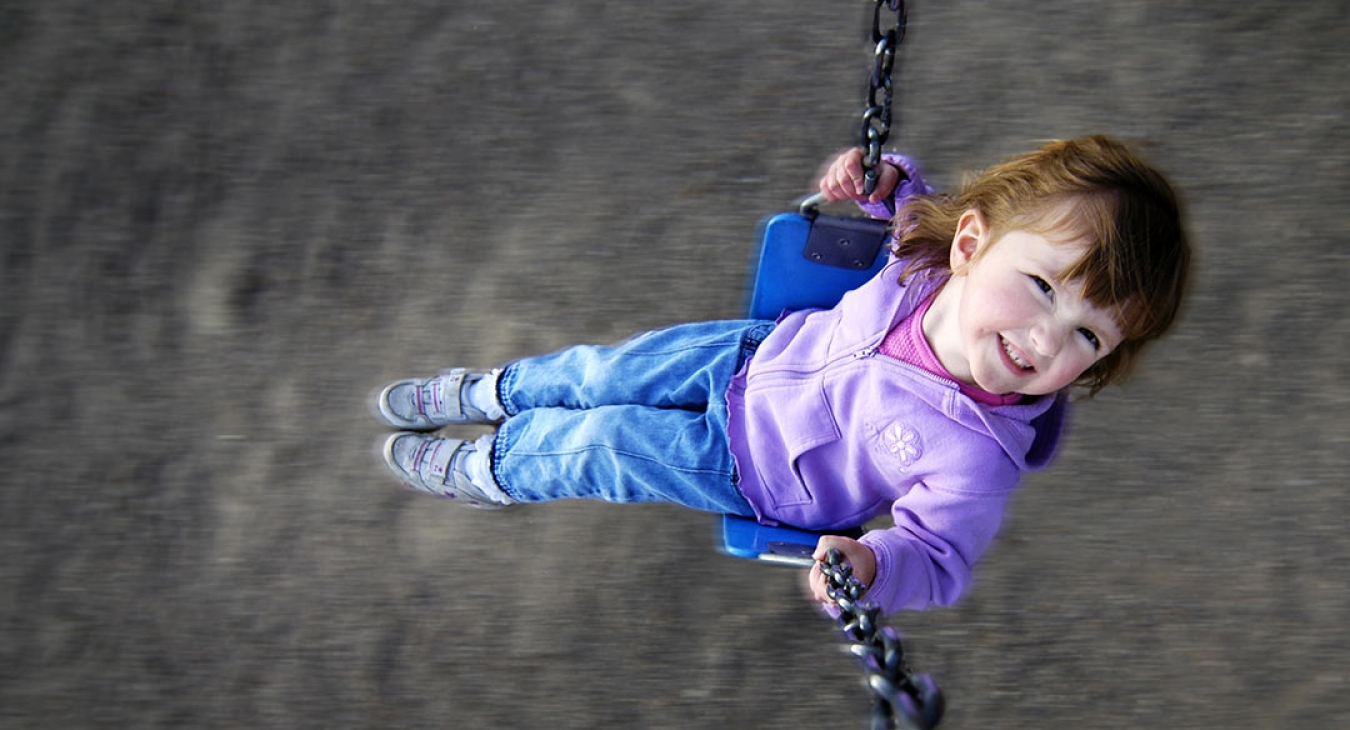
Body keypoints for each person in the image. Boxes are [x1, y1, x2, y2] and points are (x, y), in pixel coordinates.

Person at [372, 135, 1190, 616]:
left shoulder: (977, 457)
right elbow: (907, 199)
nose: (1044, 337)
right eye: (1042, 286)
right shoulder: (928, 262)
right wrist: (877, 179)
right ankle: (491, 392)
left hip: (760, 469)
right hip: (755, 353)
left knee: (606, 442)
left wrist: (873, 569)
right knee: (601, 371)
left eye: (1087, 333)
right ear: (974, 246)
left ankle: (491, 469)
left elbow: (938, 559)